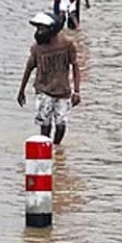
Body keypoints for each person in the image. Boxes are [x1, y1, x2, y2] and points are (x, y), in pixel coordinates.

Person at [17, 12, 80, 145]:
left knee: (61, 124)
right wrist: (21, 90)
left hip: (63, 90)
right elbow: (28, 68)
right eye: (38, 29)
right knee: (45, 124)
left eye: (42, 29)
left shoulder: (67, 44)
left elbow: (75, 66)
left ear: (52, 30)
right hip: (43, 89)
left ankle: (56, 147)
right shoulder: (37, 48)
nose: (39, 32)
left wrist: (77, 91)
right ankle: (46, 148)